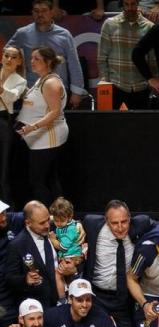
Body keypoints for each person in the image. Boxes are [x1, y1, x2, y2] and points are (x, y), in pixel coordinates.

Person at [5, 0, 86, 108]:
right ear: (32, 13)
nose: (40, 14)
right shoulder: (22, 33)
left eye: (44, 11)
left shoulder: (64, 35)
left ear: (51, 12)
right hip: (31, 90)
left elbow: (74, 64)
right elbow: (6, 55)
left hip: (58, 90)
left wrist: (77, 92)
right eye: (36, 11)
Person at [15, 46, 68, 203]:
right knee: (49, 178)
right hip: (40, 137)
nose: (32, 62)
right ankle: (58, 217)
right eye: (31, 58)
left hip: (48, 136)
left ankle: (48, 217)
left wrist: (33, 127)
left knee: (39, 181)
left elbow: (54, 112)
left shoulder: (51, 83)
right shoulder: (42, 79)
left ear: (48, 61)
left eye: (36, 59)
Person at [4, 201, 72, 316]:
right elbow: (10, 278)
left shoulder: (58, 229)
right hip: (38, 310)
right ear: (28, 223)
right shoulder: (17, 245)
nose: (47, 225)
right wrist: (25, 280)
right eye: (42, 223)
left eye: (47, 220)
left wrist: (72, 270)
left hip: (63, 303)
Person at [97, 0, 157, 110]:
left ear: (138, 3)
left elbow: (152, 59)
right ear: (122, 5)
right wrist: (106, 81)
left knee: (140, 126)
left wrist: (153, 80)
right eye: (126, 4)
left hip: (141, 87)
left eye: (133, 4)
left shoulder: (149, 27)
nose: (130, 8)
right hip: (116, 85)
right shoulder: (110, 24)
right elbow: (102, 57)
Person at [0, 47, 26, 198]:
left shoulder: (20, 80)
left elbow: (11, 98)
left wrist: (2, 90)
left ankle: (5, 211)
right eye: (6, 55)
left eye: (13, 57)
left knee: (3, 169)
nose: (9, 59)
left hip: (3, 121)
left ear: (19, 61)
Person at [47, 196, 83, 266]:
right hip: (65, 257)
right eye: (56, 220)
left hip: (72, 258)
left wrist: (53, 240)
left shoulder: (71, 229)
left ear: (69, 217)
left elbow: (63, 248)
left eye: (62, 221)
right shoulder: (63, 225)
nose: (59, 223)